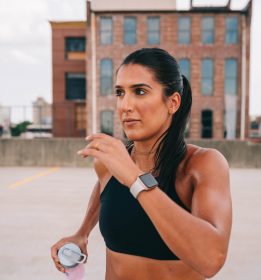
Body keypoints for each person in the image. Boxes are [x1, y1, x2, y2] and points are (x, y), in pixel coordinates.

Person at [51, 48, 232, 279]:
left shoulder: (202, 165)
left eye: (139, 91)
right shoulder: (110, 163)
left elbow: (210, 260)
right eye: (119, 92)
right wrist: (83, 232)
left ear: (173, 102)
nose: (125, 105)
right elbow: (104, 190)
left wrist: (135, 179)